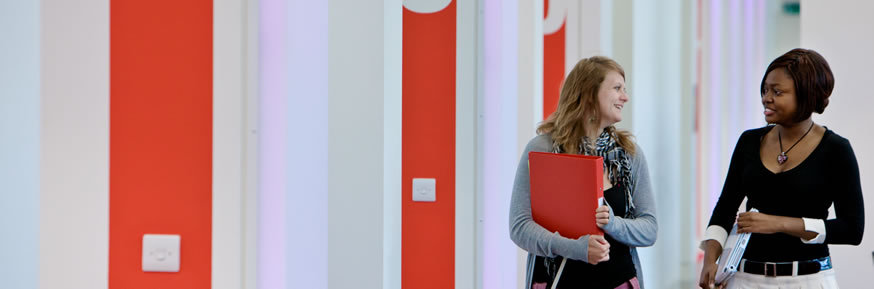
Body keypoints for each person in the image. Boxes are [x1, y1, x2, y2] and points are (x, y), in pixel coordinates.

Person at [698, 48, 864, 289]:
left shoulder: (836, 150)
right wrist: (710, 260)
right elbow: (725, 208)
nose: (766, 98)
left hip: (808, 279)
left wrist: (778, 223)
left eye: (777, 92)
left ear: (806, 95)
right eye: (765, 90)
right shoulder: (749, 141)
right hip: (745, 279)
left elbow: (852, 229)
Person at [510, 56, 658, 289]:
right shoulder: (542, 149)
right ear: (589, 93)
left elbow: (649, 230)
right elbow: (520, 227)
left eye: (625, 89)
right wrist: (575, 248)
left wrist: (612, 223)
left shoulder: (630, 154)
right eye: (617, 88)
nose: (625, 97)